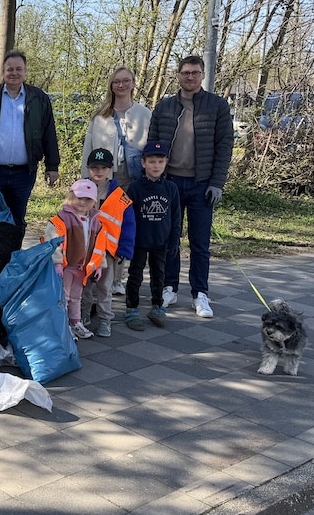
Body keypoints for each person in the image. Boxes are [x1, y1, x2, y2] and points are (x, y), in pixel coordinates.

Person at [147, 54, 234, 318]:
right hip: (170, 183)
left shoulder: (217, 106)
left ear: (203, 75)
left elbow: (225, 146)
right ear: (178, 76)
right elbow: (152, 144)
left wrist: (217, 183)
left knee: (200, 242)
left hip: (201, 184)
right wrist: (154, 179)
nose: (190, 77)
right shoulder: (165, 107)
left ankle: (200, 293)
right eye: (185, 73)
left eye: (195, 72)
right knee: (169, 239)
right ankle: (169, 287)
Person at [0, 49, 60, 228]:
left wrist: (52, 166)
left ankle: (14, 247)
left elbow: (49, 134)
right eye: (10, 69)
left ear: (25, 71)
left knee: (17, 219)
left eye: (18, 69)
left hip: (24, 174)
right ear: (3, 72)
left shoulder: (39, 99)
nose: (14, 73)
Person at [124, 141, 181, 331]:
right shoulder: (135, 188)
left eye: (160, 161)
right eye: (152, 161)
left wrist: (174, 240)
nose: (156, 166)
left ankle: (157, 306)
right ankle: (132, 308)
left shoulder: (171, 188)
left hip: (161, 241)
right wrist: (128, 240)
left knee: (159, 276)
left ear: (166, 162)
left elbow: (176, 217)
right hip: (139, 241)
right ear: (143, 163)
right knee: (135, 275)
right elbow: (128, 217)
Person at [79, 148, 135, 338]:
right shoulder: (79, 190)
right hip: (84, 248)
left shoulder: (120, 196)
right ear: (88, 168)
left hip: (108, 251)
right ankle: (84, 314)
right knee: (84, 284)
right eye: (95, 167)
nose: (99, 171)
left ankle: (105, 319)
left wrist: (124, 250)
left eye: (103, 168)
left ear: (110, 169)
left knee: (105, 286)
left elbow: (128, 224)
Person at [45, 179, 104, 340]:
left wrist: (98, 265)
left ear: (94, 201)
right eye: (79, 198)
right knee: (64, 297)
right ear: (71, 196)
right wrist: (57, 262)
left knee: (76, 297)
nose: (82, 202)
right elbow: (53, 240)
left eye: (87, 199)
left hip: (82, 268)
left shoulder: (95, 220)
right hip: (66, 266)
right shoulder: (62, 218)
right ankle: (62, 325)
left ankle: (75, 322)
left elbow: (100, 245)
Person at [81, 67, 151, 191]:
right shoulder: (99, 117)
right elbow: (88, 150)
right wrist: (85, 181)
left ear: (133, 84)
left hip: (136, 179)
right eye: (116, 82)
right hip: (105, 180)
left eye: (126, 81)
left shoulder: (145, 114)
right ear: (111, 86)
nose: (121, 85)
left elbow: (151, 150)